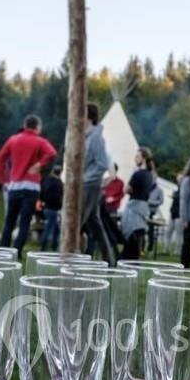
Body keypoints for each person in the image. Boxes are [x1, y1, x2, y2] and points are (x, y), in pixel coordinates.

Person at [0, 114, 57, 252]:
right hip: (31, 186)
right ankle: (17, 251)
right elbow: (52, 153)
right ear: (38, 127)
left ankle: (3, 251)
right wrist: (40, 164)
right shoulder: (40, 141)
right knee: (25, 222)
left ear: (24, 126)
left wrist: (3, 181)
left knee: (10, 220)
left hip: (14, 186)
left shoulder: (13, 139)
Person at [82, 103, 116, 264]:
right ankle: (109, 261)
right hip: (88, 184)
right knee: (95, 224)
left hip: (90, 185)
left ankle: (66, 258)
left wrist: (85, 179)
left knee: (75, 222)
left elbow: (102, 164)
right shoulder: (88, 136)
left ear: (88, 116)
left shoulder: (96, 137)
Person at [121, 148, 156, 260]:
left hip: (134, 208)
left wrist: (130, 188)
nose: (135, 159)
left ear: (144, 158)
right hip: (144, 207)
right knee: (139, 236)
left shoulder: (138, 174)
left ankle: (127, 259)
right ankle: (135, 259)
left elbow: (126, 189)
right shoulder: (151, 175)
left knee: (131, 236)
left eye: (137, 156)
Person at [39, 163, 63, 252]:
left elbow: (41, 194)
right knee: (49, 229)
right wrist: (60, 205)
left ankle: (54, 246)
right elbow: (60, 196)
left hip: (46, 207)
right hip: (54, 209)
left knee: (56, 229)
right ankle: (44, 248)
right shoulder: (58, 183)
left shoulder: (47, 181)